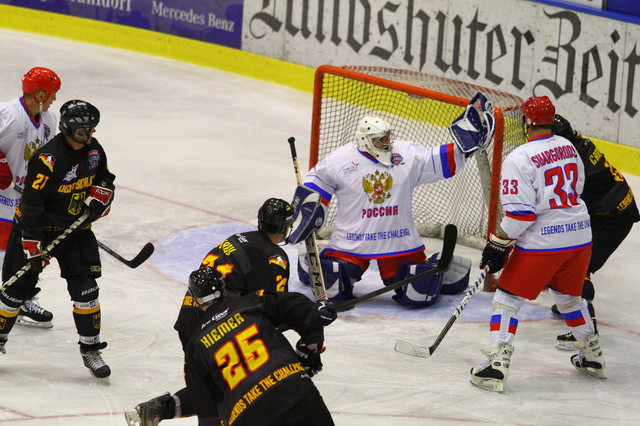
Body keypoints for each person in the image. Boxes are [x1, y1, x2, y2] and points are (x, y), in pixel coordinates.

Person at [289, 93, 495, 307]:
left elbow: (439, 160)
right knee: (333, 285)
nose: (386, 143)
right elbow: (316, 184)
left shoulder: (406, 153)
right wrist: (309, 207)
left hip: (398, 241)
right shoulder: (340, 160)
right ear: (365, 140)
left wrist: (464, 147)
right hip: (352, 242)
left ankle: (444, 268)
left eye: (387, 137)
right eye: (380, 139)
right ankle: (308, 261)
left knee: (419, 293)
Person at [125, 198, 306, 424]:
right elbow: (275, 311)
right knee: (238, 386)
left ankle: (160, 409)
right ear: (285, 227)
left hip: (190, 320)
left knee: (211, 386)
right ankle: (165, 409)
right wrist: (309, 316)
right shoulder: (274, 256)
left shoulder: (237, 239)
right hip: (219, 325)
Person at [470, 95, 605, 393]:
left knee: (507, 298)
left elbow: (521, 214)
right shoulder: (568, 146)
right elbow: (577, 190)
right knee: (568, 297)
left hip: (545, 242)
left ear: (526, 123)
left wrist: (499, 243)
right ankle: (592, 355)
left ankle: (496, 363)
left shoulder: (519, 158)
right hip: (580, 236)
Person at [0, 99, 116, 381]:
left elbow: (105, 179)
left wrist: (100, 197)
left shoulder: (94, 150)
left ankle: (90, 349)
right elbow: (31, 204)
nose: (90, 135)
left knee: (86, 290)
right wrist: (32, 243)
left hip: (75, 231)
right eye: (84, 130)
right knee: (15, 291)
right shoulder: (48, 159)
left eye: (92, 129)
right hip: (36, 230)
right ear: (69, 129)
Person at [184, 266, 335, 425]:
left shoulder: (194, 346)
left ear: (196, 300)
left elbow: (205, 409)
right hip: (292, 389)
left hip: (248, 415)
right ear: (224, 289)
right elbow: (302, 308)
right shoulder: (252, 302)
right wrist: (310, 350)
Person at [550, 114, 639, 349]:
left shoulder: (573, 163)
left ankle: (586, 330)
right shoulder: (580, 144)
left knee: (578, 269)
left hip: (612, 219)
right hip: (611, 209)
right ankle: (572, 305)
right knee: (570, 260)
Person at [0, 66, 61, 328]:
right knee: (5, 250)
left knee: (25, 249)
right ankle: (10, 301)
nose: (54, 99)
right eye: (53, 94)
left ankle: (20, 299)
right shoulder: (7, 114)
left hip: (29, 198)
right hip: (3, 196)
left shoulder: (49, 119)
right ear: (40, 95)